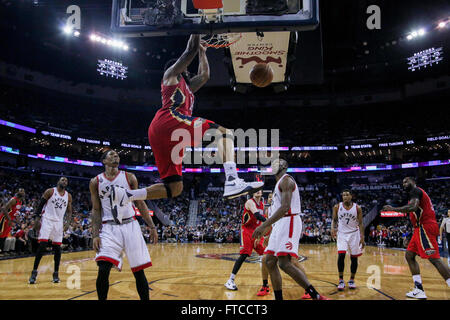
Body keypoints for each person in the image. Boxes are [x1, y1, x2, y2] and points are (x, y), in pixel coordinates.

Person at [109, 35, 263, 211]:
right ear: (180, 68)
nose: (189, 70)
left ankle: (126, 195)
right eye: (186, 68)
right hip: (168, 120)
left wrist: (203, 52)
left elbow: (204, 76)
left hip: (163, 132)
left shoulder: (188, 88)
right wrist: (197, 29)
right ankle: (232, 180)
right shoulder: (171, 76)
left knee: (174, 188)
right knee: (224, 133)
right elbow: (189, 51)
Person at [253, 159, 329, 300]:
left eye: (279, 162)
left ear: (285, 166)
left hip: (289, 220)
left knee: (285, 263)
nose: (275, 164)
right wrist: (266, 231)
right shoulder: (278, 183)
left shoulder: (286, 181)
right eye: (273, 163)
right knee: (269, 261)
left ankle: (316, 296)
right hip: (280, 223)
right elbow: (277, 210)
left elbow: (285, 207)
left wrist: (263, 225)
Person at [90, 150, 158, 300]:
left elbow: (140, 202)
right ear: (104, 161)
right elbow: (96, 209)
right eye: (112, 154)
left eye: (117, 155)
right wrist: (95, 234)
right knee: (103, 268)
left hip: (130, 225)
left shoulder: (129, 177)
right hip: (109, 227)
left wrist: (152, 227)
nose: (116, 156)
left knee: (139, 272)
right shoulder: (96, 181)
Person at [382, 177, 450, 299]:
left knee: (434, 259)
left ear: (413, 182)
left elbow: (413, 207)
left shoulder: (415, 191)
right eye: (402, 182)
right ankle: (419, 289)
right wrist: (410, 235)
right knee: (409, 255)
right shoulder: (414, 195)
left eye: (406, 181)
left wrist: (393, 209)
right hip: (418, 229)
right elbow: (414, 213)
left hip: (425, 227)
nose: (404, 183)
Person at [224, 190, 270, 296]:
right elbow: (258, 216)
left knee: (267, 255)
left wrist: (261, 235)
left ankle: (266, 284)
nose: (258, 191)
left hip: (257, 231)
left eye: (259, 189)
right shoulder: (250, 202)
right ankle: (230, 280)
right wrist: (270, 221)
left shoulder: (262, 204)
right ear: (252, 193)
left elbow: (260, 222)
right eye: (255, 190)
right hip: (247, 231)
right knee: (244, 254)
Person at [29, 177, 73, 284]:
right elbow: (40, 206)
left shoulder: (68, 196)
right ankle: (34, 272)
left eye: (66, 181)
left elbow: (69, 212)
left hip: (58, 223)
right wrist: (37, 219)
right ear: (58, 181)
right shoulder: (50, 191)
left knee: (57, 248)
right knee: (42, 246)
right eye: (62, 180)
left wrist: (67, 223)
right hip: (47, 220)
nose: (64, 182)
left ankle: (56, 273)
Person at [331, 190, 365, 291]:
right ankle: (341, 280)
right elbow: (334, 219)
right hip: (341, 234)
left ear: (351, 196)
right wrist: (332, 228)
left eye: (347, 195)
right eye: (343, 195)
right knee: (341, 255)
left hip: (354, 234)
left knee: (354, 258)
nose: (345, 197)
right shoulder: (337, 207)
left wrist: (362, 238)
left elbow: (361, 223)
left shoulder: (357, 208)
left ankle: (351, 280)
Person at [0, 188, 25, 254]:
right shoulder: (13, 200)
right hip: (4, 218)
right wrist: (10, 219)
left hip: (9, 219)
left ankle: (2, 250)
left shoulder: (21, 201)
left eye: (23, 191)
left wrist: (18, 221)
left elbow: (15, 212)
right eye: (21, 191)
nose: (22, 192)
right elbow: (4, 209)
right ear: (17, 192)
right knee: (1, 234)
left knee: (5, 235)